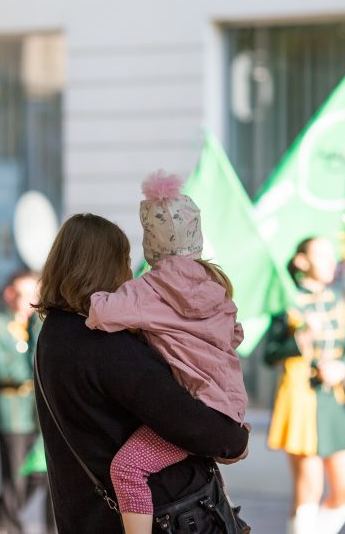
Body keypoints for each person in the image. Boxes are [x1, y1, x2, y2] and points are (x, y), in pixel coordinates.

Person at [33, 212, 250, 534]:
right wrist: (237, 438)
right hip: (165, 517)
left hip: (87, 516)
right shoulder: (102, 342)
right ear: (106, 266)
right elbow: (192, 422)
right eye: (124, 259)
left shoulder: (53, 333)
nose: (129, 271)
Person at [85, 171, 249, 534]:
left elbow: (101, 314)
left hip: (198, 408)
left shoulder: (149, 290)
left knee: (127, 470)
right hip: (229, 404)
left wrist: (98, 293)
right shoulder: (215, 284)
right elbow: (234, 334)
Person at [264, 238, 345, 534]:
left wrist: (342, 369)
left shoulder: (337, 299)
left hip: (333, 398)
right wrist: (299, 340)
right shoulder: (288, 299)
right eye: (322, 255)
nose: (331, 261)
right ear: (301, 261)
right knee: (310, 488)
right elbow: (270, 353)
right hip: (301, 397)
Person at [0, 269, 54, 534]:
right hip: (12, 410)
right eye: (23, 295)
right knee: (14, 477)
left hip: (36, 411)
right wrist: (29, 372)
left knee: (40, 474)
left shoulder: (38, 324)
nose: (29, 302)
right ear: (9, 294)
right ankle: (10, 525)